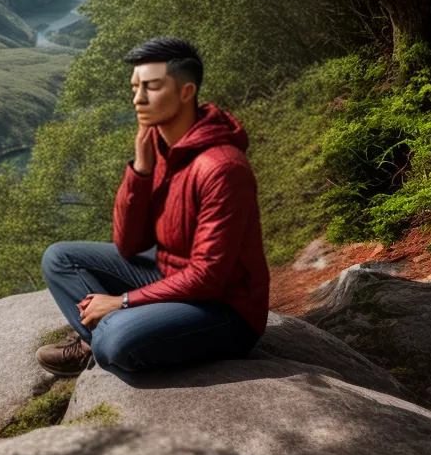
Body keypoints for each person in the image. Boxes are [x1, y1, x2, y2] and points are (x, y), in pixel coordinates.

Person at [36, 36, 270, 376]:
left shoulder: (223, 168)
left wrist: (121, 302)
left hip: (226, 310)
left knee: (115, 340)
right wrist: (140, 171)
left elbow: (209, 279)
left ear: (186, 92)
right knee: (59, 257)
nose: (138, 98)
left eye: (151, 87)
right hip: (170, 275)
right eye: (135, 88)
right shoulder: (162, 148)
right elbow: (129, 244)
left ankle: (101, 337)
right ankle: (109, 332)